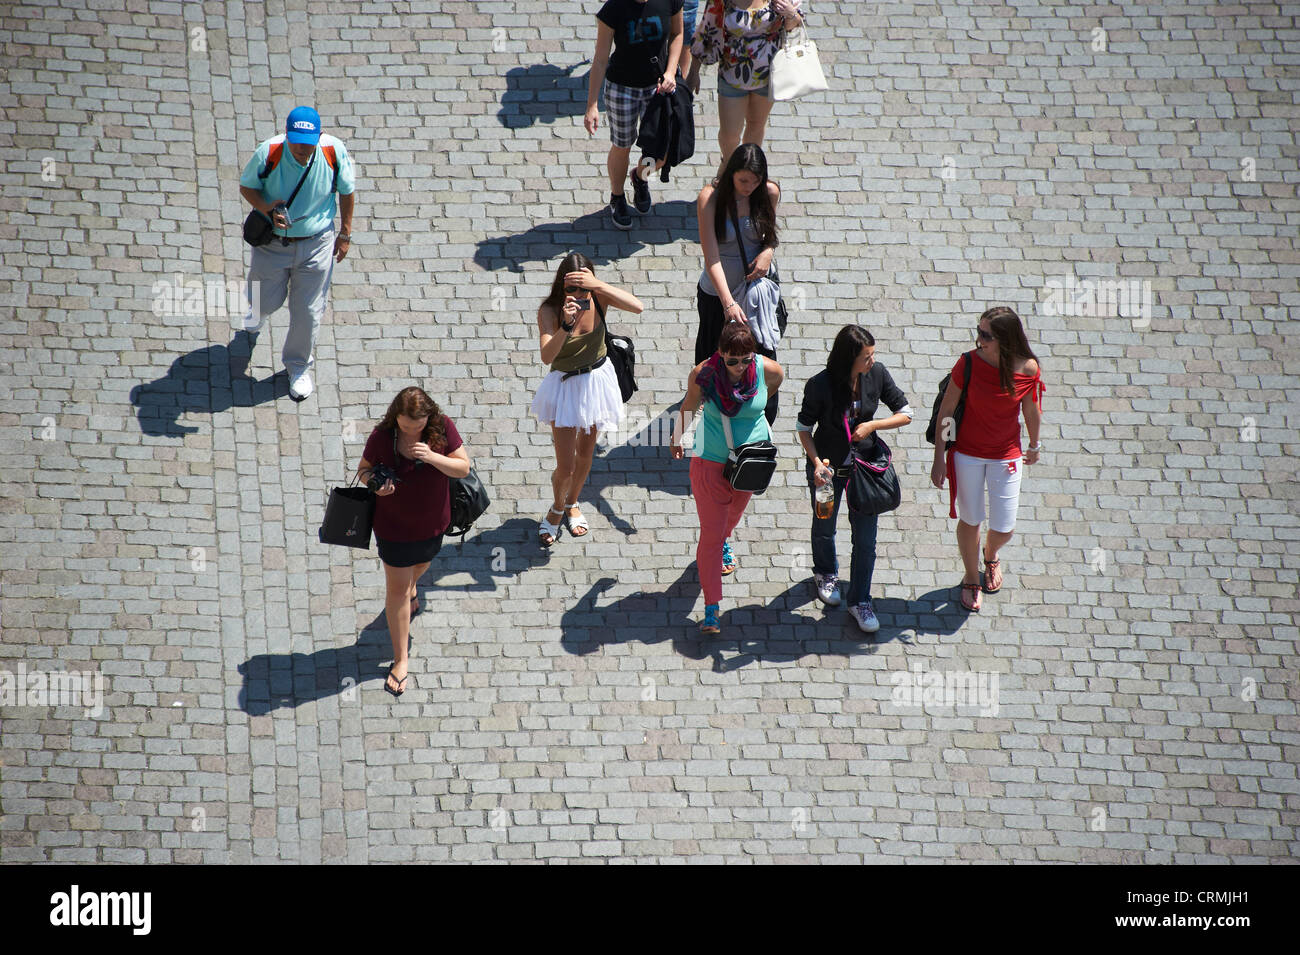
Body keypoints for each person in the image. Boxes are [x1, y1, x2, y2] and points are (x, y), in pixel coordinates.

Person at [796, 326, 913, 633]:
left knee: (866, 540)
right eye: (866, 356)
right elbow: (804, 428)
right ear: (850, 358)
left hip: (866, 469)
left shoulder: (878, 374)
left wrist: (873, 425)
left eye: (873, 354)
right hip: (829, 468)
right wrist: (817, 462)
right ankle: (825, 572)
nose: (872, 360)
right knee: (824, 525)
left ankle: (859, 600)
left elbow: (905, 413)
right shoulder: (820, 384)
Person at [356, 387, 471, 697]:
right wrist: (377, 486)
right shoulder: (383, 437)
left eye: (415, 426)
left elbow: (463, 467)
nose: (408, 430)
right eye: (404, 425)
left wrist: (433, 457)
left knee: (422, 565)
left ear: (427, 417)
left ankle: (413, 588)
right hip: (393, 527)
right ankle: (400, 658)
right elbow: (363, 471)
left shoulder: (443, 427)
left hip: (433, 523)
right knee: (397, 589)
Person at [929, 307, 1044, 612]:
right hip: (966, 452)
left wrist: (1034, 444)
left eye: (985, 335)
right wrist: (939, 456)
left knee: (1005, 527)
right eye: (978, 331)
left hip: (1006, 453)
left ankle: (990, 555)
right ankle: (970, 576)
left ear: (1005, 339)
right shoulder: (968, 363)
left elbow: (1031, 409)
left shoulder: (1028, 369)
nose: (978, 339)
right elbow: (947, 409)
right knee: (971, 518)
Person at [672, 321, 783, 634]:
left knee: (730, 519)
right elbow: (688, 407)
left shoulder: (768, 370)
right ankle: (711, 607)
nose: (738, 367)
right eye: (731, 360)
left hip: (751, 463)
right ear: (720, 353)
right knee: (711, 533)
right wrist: (676, 438)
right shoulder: (703, 375)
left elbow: (771, 389)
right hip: (710, 461)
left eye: (745, 359)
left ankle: (724, 541)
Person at [239, 106, 356, 402]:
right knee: (263, 301)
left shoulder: (333, 151)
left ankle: (298, 367)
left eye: (308, 142)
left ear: (320, 135)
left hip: (317, 243)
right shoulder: (270, 152)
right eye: (297, 141)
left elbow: (347, 191)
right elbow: (247, 187)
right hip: (273, 243)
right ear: (287, 135)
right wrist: (267, 208)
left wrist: (344, 234)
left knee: (307, 310)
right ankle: (257, 315)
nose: (302, 149)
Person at [531, 252, 645, 546]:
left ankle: (573, 503)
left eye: (584, 288)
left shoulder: (598, 298)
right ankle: (557, 508)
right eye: (572, 288)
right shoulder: (550, 310)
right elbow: (547, 357)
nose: (579, 295)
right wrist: (566, 326)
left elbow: (638, 307)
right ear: (561, 286)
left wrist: (598, 285)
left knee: (585, 455)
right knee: (565, 465)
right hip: (565, 387)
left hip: (595, 382)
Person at [585, 0, 684, 229]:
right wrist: (592, 105)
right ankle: (617, 197)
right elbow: (600, 60)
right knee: (622, 145)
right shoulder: (614, 8)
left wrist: (670, 71)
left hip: (658, 87)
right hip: (622, 88)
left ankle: (640, 176)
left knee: (659, 151)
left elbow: (678, 34)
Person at [687, 0, 805, 176]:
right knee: (730, 134)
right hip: (732, 75)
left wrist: (790, 13)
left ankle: (748, 175)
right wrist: (694, 72)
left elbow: (794, 27)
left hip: (767, 75)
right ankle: (728, 167)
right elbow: (706, 30)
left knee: (756, 125)